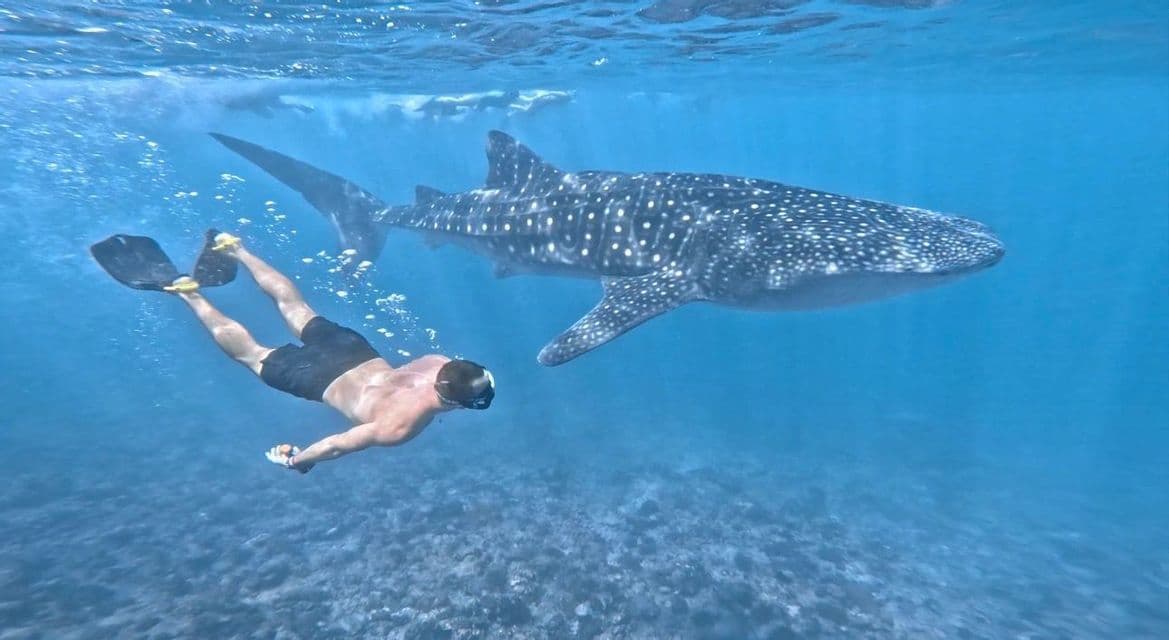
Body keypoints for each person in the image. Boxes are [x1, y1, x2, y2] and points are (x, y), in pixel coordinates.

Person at [90, 230, 495, 473]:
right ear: (455, 403)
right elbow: (337, 444)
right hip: (316, 379)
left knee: (296, 307)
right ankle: (188, 294)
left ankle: (235, 249)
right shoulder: (399, 427)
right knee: (249, 353)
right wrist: (299, 460)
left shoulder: (439, 361)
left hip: (354, 352)